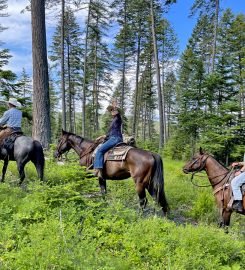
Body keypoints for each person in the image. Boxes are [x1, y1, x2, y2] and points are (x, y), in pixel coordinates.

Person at [93, 101, 123, 177]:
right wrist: (102, 137)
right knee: (100, 147)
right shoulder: (113, 121)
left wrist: (115, 107)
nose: (112, 111)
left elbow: (118, 115)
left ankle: (98, 169)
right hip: (113, 137)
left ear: (117, 111)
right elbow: (110, 133)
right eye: (111, 110)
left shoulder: (118, 119)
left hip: (115, 138)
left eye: (113, 110)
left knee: (100, 151)